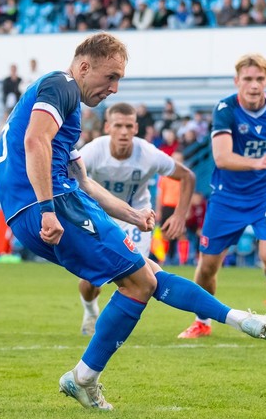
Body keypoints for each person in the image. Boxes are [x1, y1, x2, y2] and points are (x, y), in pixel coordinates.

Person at [0, 32, 266, 411]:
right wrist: (47, 208)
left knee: (145, 274)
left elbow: (85, 182)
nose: (114, 89)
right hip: (53, 206)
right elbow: (36, 142)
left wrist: (132, 215)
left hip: (57, 202)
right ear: (84, 67)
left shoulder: (63, 104)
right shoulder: (61, 85)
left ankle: (235, 319)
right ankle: (84, 377)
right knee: (139, 283)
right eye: (110, 77)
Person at [178, 52, 266, 339]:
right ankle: (202, 321)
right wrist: (258, 162)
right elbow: (221, 157)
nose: (254, 85)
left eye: (259, 79)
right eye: (248, 79)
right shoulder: (226, 109)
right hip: (227, 197)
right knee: (207, 267)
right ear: (237, 81)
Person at [72, 102, 195, 336]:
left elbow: (187, 176)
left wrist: (180, 215)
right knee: (90, 283)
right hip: (98, 217)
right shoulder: (92, 151)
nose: (124, 132)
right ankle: (90, 310)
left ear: (136, 128)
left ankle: (110, 329)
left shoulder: (147, 153)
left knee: (138, 276)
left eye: (129, 126)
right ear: (107, 126)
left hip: (136, 218)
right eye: (118, 125)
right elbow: (69, 178)